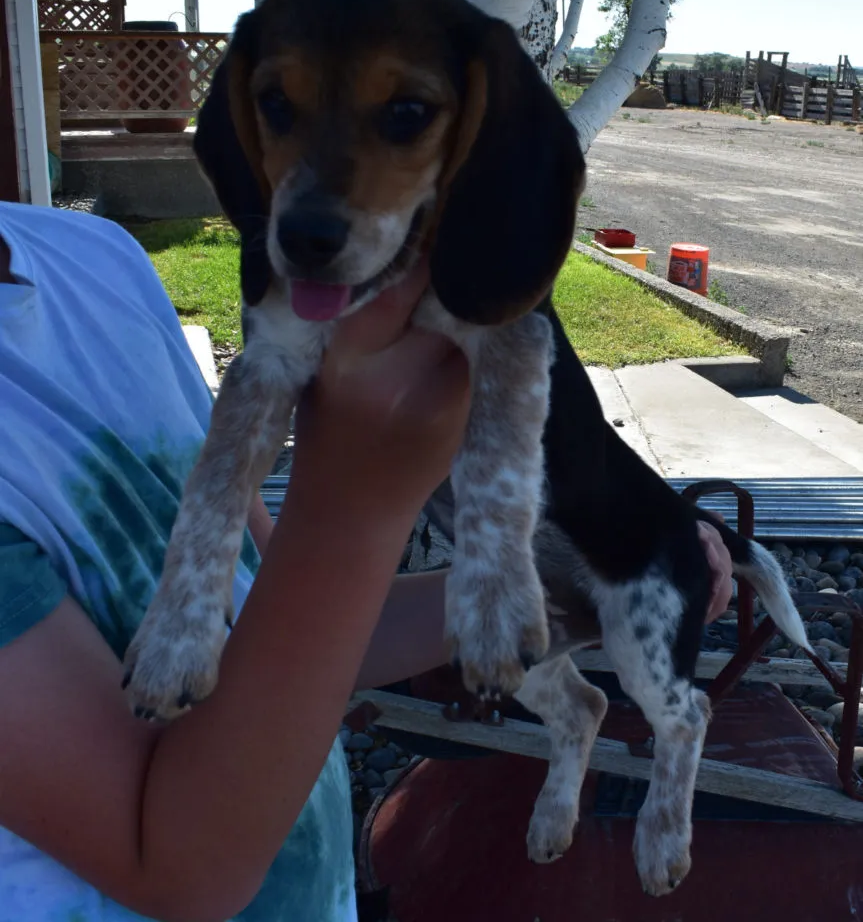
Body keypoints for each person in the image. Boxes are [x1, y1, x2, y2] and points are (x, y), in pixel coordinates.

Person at [0, 200, 732, 922]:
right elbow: (181, 875)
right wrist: (356, 500)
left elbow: (278, 618)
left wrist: (564, 592)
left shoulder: (99, 259)